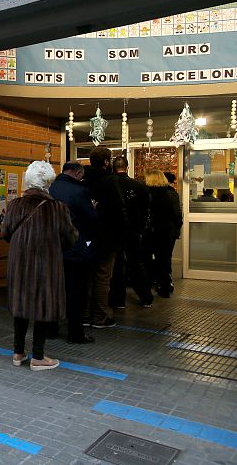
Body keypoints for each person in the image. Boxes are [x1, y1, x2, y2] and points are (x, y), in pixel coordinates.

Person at [2, 161, 77, 371]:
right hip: (46, 264)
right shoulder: (57, 207)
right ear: (48, 182)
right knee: (43, 306)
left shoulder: (15, 204)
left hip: (19, 263)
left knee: (21, 306)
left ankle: (18, 353)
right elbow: (70, 238)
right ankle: (38, 356)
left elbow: (5, 233)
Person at [49, 162, 97, 344]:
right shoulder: (79, 191)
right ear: (78, 173)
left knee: (53, 290)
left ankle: (51, 329)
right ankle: (75, 333)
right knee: (76, 293)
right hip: (75, 249)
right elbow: (91, 219)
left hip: (52, 249)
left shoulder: (50, 188)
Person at [83, 146, 126, 329]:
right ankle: (99, 317)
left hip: (85, 236)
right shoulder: (110, 181)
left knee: (86, 276)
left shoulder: (81, 179)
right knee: (102, 276)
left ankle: (84, 315)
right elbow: (118, 210)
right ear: (107, 162)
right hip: (107, 236)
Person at [109, 156, 153, 308]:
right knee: (136, 264)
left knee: (117, 266)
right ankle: (146, 297)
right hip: (134, 230)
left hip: (115, 231)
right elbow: (146, 209)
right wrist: (141, 228)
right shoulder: (139, 186)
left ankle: (118, 300)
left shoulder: (110, 184)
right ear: (127, 167)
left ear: (113, 167)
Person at [144, 169, 183, 298]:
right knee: (165, 259)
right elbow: (177, 215)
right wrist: (177, 230)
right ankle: (165, 287)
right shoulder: (172, 194)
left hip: (150, 232)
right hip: (167, 232)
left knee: (147, 259)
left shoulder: (145, 193)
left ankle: (149, 285)